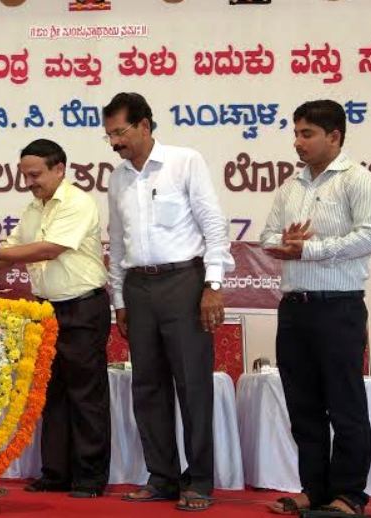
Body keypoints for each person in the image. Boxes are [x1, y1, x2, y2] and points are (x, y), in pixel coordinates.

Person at [103, 92, 234, 511]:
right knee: (147, 387)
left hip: (184, 283)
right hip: (138, 289)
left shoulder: (185, 161)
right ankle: (161, 477)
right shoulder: (118, 178)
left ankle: (200, 481)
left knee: (192, 385)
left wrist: (213, 284)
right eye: (109, 135)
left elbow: (213, 224)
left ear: (144, 125)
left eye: (120, 132)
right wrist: (119, 300)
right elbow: (117, 242)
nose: (114, 142)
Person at [0, 138, 111, 498]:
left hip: (81, 308)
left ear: (59, 169)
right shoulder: (33, 209)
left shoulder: (78, 202)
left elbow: (49, 249)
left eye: (35, 175)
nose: (29, 182)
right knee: (51, 392)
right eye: (25, 175)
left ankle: (89, 477)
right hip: (45, 310)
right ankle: (55, 473)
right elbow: (12, 247)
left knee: (85, 395)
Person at [261, 100, 371, 517]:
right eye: (296, 133)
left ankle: (350, 495)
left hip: (339, 308)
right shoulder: (291, 186)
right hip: (294, 309)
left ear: (334, 136)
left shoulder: (360, 181)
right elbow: (267, 237)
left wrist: (311, 249)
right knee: (303, 406)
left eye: (307, 134)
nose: (297, 142)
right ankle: (313, 490)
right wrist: (285, 244)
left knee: (344, 404)